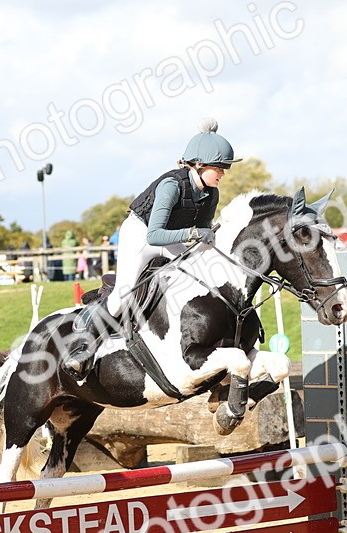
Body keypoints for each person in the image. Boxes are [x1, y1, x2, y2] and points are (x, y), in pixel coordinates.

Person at [62, 117, 240, 380]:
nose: (223, 173)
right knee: (122, 295)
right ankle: (82, 349)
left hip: (169, 238)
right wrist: (193, 233)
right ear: (200, 165)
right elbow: (155, 235)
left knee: (201, 276)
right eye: (219, 168)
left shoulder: (211, 193)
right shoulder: (171, 185)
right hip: (141, 235)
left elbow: (201, 232)